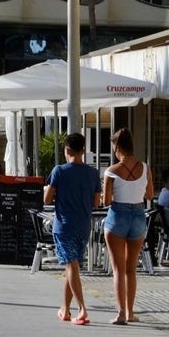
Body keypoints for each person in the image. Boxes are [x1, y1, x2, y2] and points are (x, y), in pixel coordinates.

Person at [43, 132, 102, 326]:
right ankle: (65, 309)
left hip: (64, 226)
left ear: (66, 150)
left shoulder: (59, 171)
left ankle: (82, 308)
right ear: (83, 150)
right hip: (84, 226)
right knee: (72, 266)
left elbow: (47, 199)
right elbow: (96, 202)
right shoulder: (93, 173)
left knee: (71, 266)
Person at [102, 128, 153, 324]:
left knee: (118, 269)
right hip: (139, 215)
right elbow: (149, 195)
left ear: (117, 147)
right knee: (131, 269)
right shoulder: (145, 168)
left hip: (117, 217)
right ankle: (131, 312)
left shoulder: (111, 171)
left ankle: (121, 313)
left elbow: (106, 201)